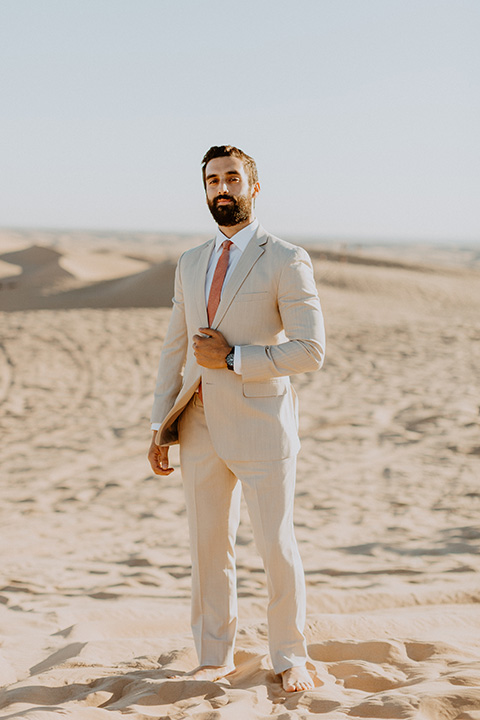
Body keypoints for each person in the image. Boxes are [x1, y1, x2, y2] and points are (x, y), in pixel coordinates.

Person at [148, 145, 325, 692]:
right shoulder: (190, 261)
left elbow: (310, 350)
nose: (221, 188)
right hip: (197, 425)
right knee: (208, 549)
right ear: (204, 190)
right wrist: (160, 423)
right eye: (211, 181)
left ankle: (290, 654)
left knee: (275, 545)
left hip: (262, 425)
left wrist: (232, 359)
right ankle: (213, 653)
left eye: (231, 178)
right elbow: (174, 348)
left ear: (253, 185)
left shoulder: (286, 258)